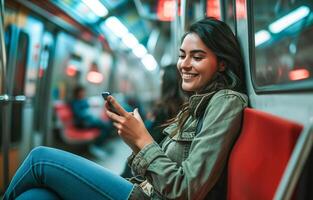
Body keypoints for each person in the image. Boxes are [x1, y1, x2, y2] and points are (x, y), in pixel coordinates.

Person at [4, 17, 248, 200]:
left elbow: (186, 189)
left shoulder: (226, 101)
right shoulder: (196, 103)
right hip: (144, 189)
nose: (184, 65)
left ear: (222, 63)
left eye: (197, 57)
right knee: (35, 196)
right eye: (182, 55)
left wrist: (143, 140)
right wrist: (135, 140)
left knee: (39, 160)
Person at [121, 64, 185, 178]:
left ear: (167, 83)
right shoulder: (181, 109)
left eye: (161, 80)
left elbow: (149, 141)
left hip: (143, 170)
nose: (160, 83)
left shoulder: (163, 111)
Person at [70, 85, 112, 157]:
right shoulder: (75, 102)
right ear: (77, 93)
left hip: (88, 120)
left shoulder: (84, 100)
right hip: (82, 123)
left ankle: (99, 145)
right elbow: (78, 115)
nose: (83, 93)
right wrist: (87, 114)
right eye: (81, 92)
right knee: (105, 126)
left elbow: (88, 109)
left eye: (83, 92)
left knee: (106, 125)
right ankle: (97, 145)